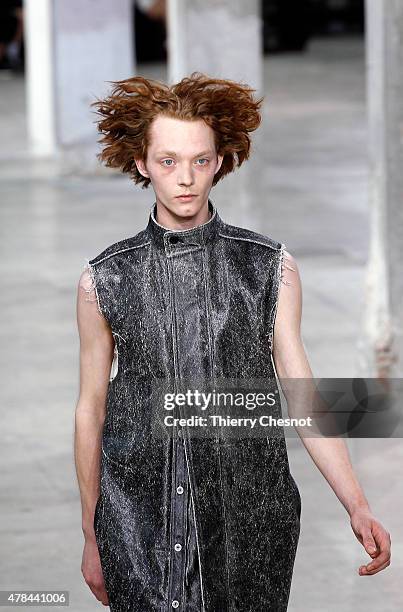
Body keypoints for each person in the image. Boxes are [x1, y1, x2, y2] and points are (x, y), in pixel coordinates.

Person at [74, 72, 391, 611]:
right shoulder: (104, 279)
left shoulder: (269, 268)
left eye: (200, 160)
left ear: (219, 162)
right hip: (137, 516)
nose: (185, 178)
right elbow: (91, 409)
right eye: (168, 161)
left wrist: (357, 505)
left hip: (249, 514)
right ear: (142, 163)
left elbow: (302, 393)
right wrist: (91, 535)